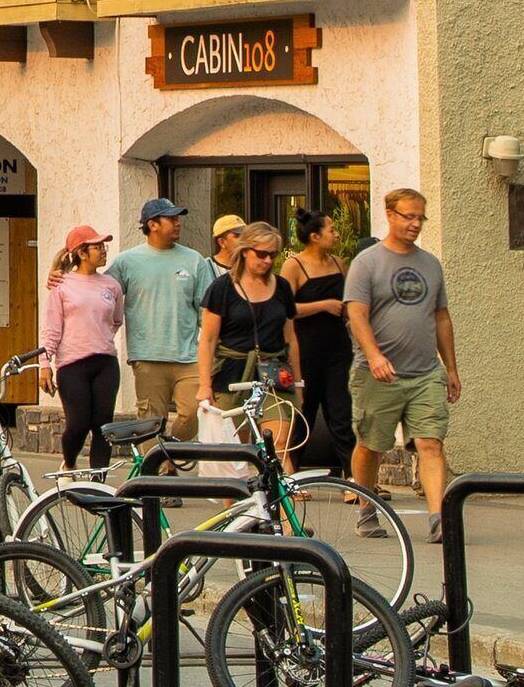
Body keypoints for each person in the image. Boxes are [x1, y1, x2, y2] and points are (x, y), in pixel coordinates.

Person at [345, 187, 460, 535]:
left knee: (430, 443)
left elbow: (441, 317)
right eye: (408, 216)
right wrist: (374, 355)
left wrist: (451, 368)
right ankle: (366, 507)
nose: (414, 224)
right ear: (390, 215)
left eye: (420, 217)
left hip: (425, 373)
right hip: (377, 374)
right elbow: (356, 314)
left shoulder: (430, 264)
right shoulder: (367, 263)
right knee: (372, 445)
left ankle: (438, 519)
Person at [112, 197, 217, 439]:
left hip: (188, 356)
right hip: (148, 356)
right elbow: (101, 293)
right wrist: (61, 275)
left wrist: (214, 345)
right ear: (153, 225)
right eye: (171, 219)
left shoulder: (194, 260)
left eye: (177, 218)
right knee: (150, 421)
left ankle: (169, 451)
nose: (178, 223)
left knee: (193, 413)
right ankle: (157, 471)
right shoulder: (126, 262)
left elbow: (206, 311)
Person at [197, 222, 299, 454]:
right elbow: (208, 340)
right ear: (245, 251)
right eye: (261, 254)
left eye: (272, 255)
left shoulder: (281, 287)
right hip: (232, 371)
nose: (267, 261)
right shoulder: (222, 288)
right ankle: (245, 489)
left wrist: (298, 381)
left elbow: (291, 338)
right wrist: (204, 385)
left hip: (272, 372)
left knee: (279, 442)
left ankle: (286, 490)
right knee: (236, 448)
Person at [39, 226, 124, 470]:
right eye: (98, 247)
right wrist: (45, 365)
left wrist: (100, 335)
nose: (103, 251)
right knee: (78, 424)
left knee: (102, 425)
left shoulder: (111, 285)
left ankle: (99, 482)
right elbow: (52, 329)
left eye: (103, 246)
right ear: (82, 253)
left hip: (105, 362)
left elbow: (116, 320)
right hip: (72, 364)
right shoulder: (62, 285)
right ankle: (69, 464)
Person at [283, 208, 355, 473]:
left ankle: (353, 477)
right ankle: (290, 475)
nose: (336, 234)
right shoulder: (295, 265)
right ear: (314, 236)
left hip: (338, 348)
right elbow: (285, 308)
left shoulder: (338, 263)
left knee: (342, 413)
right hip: (306, 347)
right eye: (332, 230)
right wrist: (323, 305)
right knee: (305, 412)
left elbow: (348, 301)